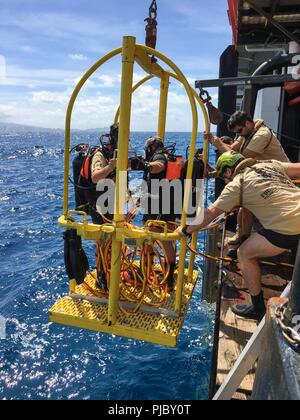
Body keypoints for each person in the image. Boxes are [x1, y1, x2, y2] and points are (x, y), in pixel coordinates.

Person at [177, 151, 300, 321]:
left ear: (229, 171)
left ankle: (257, 307)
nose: (225, 180)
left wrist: (185, 230)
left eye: (223, 176)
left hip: (288, 228)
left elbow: (210, 213)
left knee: (244, 253)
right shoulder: (269, 164)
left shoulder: (236, 185)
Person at [207, 112, 290, 247]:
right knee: (245, 204)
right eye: (237, 133)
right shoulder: (246, 133)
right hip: (266, 174)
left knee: (247, 202)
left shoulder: (261, 134)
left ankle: (244, 238)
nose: (239, 134)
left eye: (240, 131)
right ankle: (242, 236)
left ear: (247, 123)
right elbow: (232, 149)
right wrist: (214, 141)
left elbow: (239, 160)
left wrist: (218, 143)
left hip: (281, 175)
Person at [132, 136, 177, 289]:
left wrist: (145, 165)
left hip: (158, 209)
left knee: (149, 240)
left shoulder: (159, 156)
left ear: (151, 148)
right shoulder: (171, 156)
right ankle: (169, 277)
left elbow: (159, 166)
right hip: (170, 206)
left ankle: (145, 274)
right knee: (168, 242)